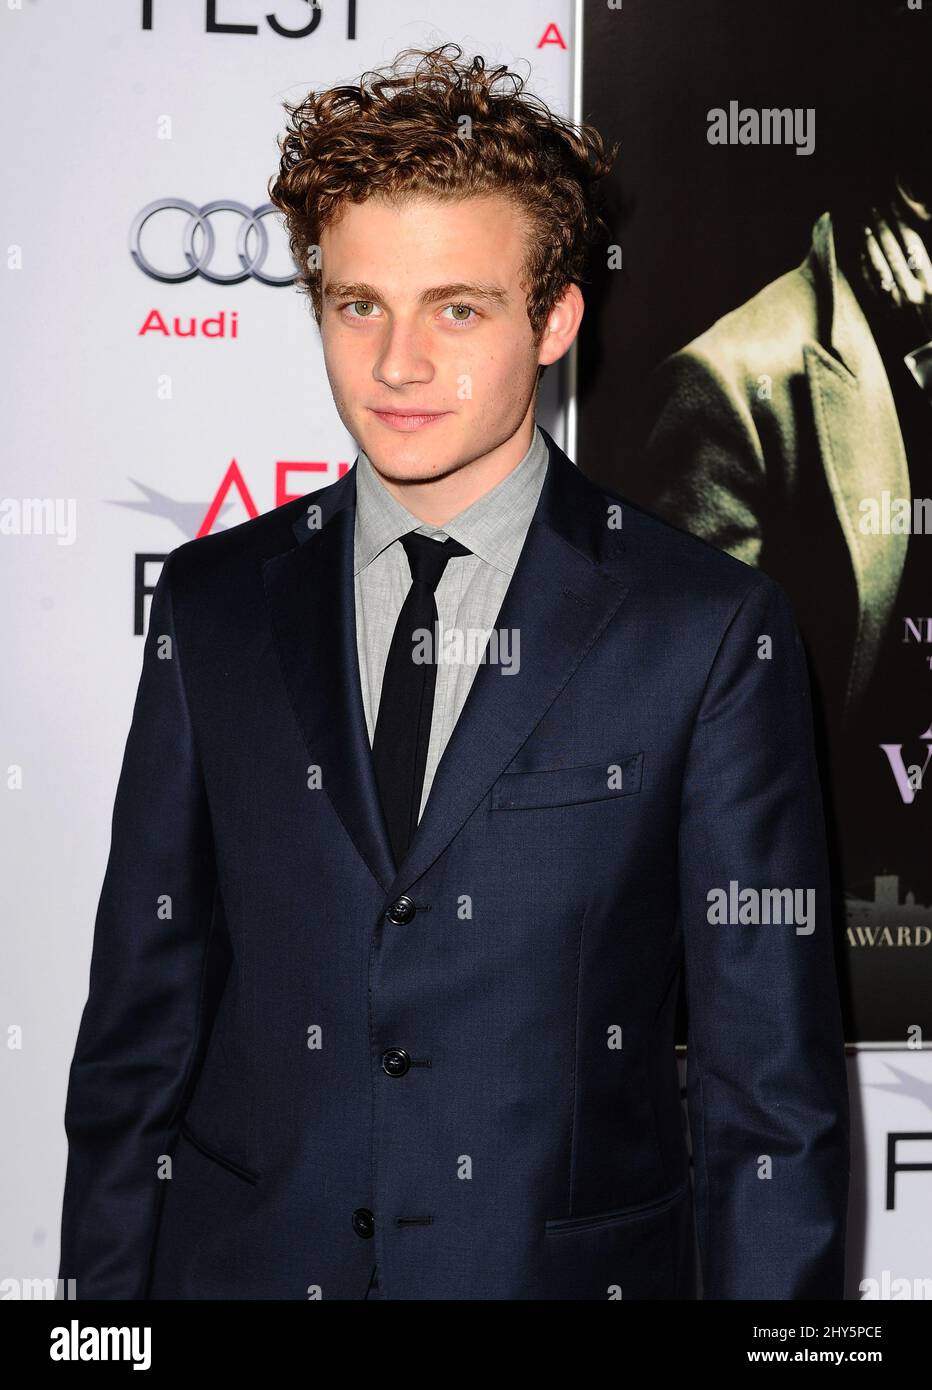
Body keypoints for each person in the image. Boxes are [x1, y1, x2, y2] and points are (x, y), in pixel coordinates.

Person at [58, 43, 849, 1301]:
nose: (396, 365)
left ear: (555, 319)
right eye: (359, 304)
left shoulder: (700, 631)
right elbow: (136, 1034)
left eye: (458, 307)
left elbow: (771, 1097)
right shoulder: (213, 605)